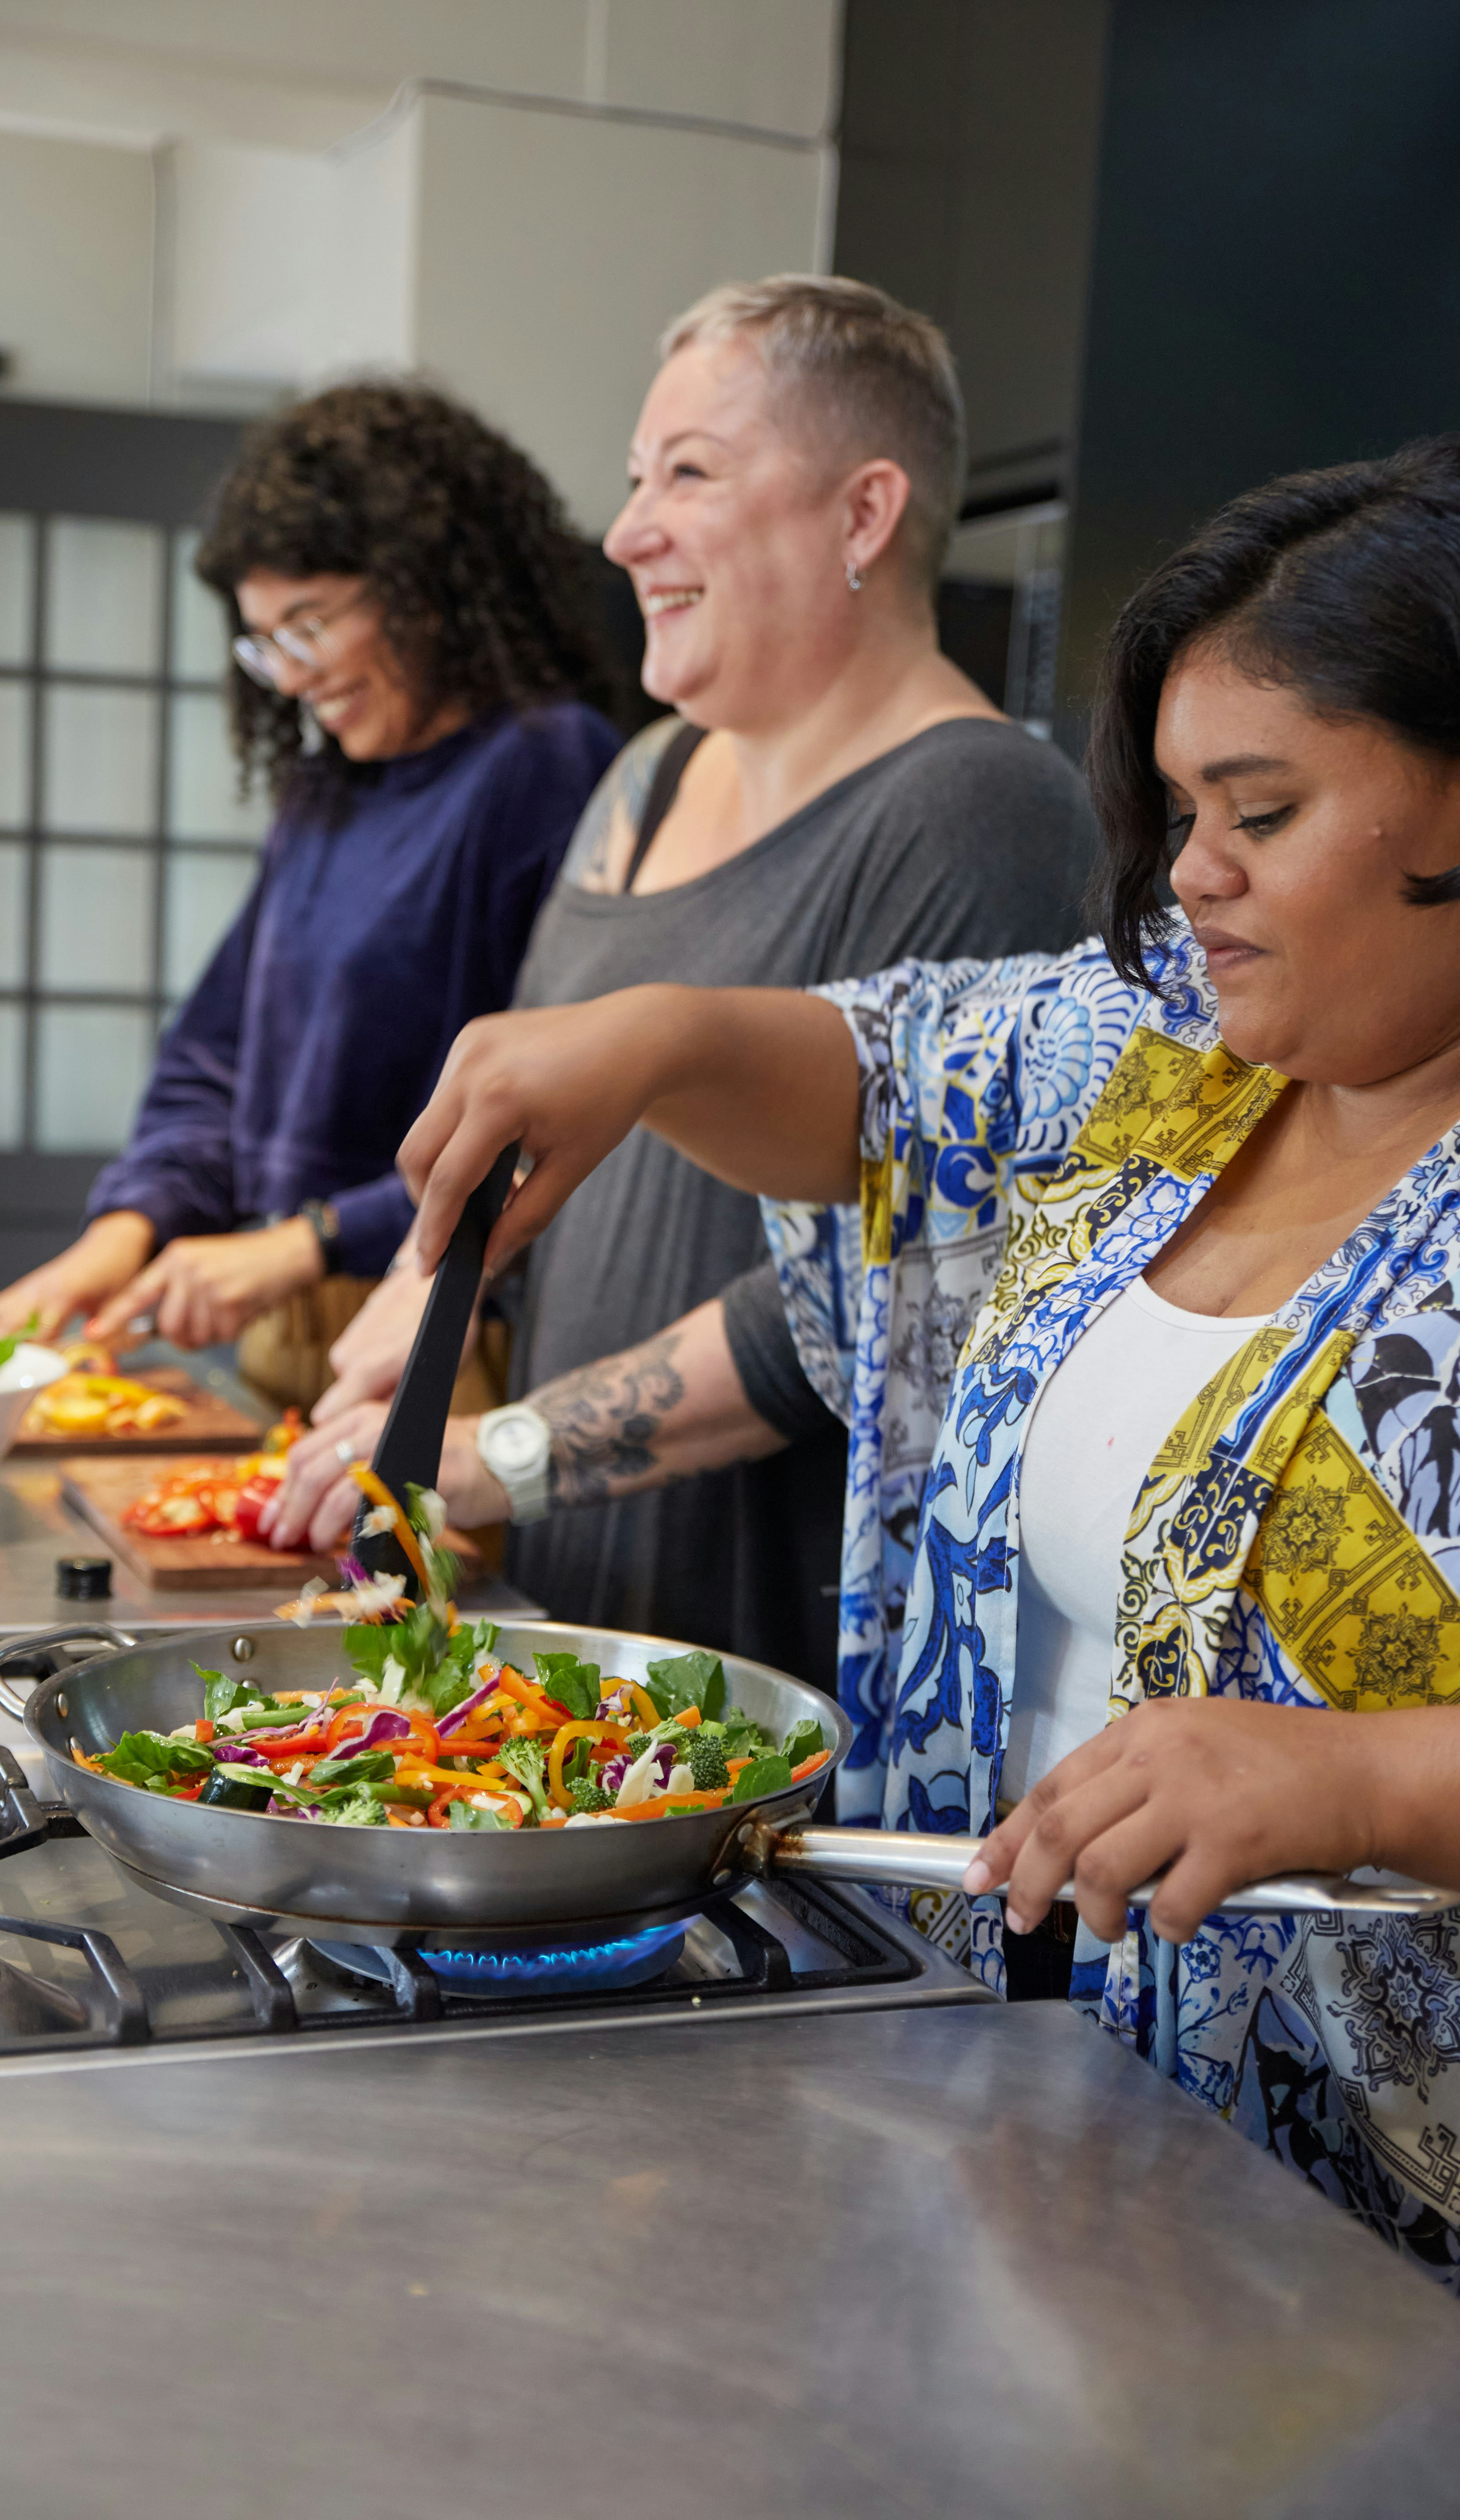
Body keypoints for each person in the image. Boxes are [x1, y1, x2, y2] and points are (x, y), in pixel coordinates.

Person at [391, 435, 1460, 2286]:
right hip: (1022, 2113)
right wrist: (648, 1037)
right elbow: (890, 1076)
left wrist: (1366, 1779)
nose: (1194, 875)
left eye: (1262, 814)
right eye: (1181, 812)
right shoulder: (1180, 1049)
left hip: (1355, 2225)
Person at [266, 277, 1099, 1728]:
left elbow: (885, 1286)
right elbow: (531, 1126)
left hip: (781, 1662)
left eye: (689, 475)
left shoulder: (983, 808)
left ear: (862, 515)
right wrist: (432, 1299)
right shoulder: (641, 780)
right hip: (592, 1608)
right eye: (636, 477)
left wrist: (503, 1452)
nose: (625, 530)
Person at [0, 383, 620, 1410]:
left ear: (424, 584)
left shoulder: (543, 767)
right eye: (263, 641)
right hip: (292, 1330)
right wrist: (125, 1231)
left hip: (444, 1331)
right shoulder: (327, 793)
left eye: (308, 624)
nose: (287, 676)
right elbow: (214, 1056)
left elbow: (549, 1111)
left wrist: (308, 1242)